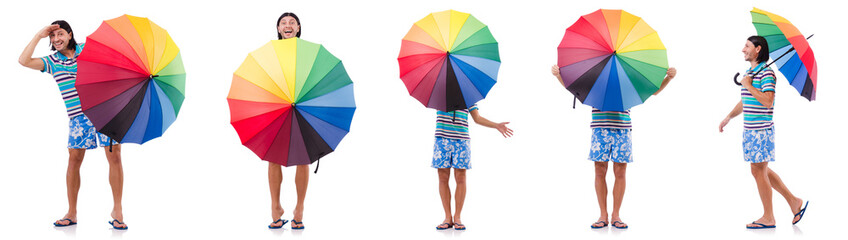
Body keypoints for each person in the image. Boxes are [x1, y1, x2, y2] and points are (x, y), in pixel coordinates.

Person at [18, 20, 127, 230]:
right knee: (74, 159)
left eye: (59, 34)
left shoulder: (87, 49)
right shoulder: (52, 61)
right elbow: (23, 61)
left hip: (105, 110)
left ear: (69, 34)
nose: (55, 39)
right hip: (78, 117)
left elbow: (113, 56)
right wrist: (38, 35)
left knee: (115, 155)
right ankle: (72, 212)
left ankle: (118, 210)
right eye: (52, 36)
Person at [551, 64, 676, 229]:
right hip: (599, 129)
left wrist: (669, 78)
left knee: (620, 172)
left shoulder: (629, 78)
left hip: (622, 130)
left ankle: (616, 215)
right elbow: (574, 89)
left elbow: (653, 91)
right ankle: (603, 214)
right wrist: (558, 76)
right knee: (600, 170)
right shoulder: (595, 76)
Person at [718, 36, 808, 229]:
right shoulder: (751, 72)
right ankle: (794, 201)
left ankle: (769, 218)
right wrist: (729, 117)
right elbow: (746, 101)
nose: (743, 49)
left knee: (758, 171)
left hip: (761, 131)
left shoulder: (767, 73)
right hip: (750, 130)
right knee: (760, 170)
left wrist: (748, 85)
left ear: (758, 49)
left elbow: (768, 101)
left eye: (747, 46)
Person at [433, 105, 513, 230]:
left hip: (461, 141)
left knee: (461, 178)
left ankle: (457, 216)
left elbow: (477, 118)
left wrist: (496, 125)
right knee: (443, 178)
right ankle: (448, 217)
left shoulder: (467, 94)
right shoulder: (439, 91)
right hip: (441, 140)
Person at [266, 12, 308, 230]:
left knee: (303, 159)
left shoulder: (307, 53)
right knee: (273, 157)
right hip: (277, 106)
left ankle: (299, 209)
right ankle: (275, 208)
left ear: (298, 28)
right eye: (284, 23)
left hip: (301, 106)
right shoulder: (270, 53)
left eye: (292, 22)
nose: (288, 25)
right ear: (279, 29)